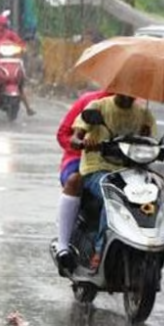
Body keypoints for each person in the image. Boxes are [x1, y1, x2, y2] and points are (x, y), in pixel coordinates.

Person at [71, 94, 156, 270]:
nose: (129, 95)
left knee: (152, 195)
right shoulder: (98, 107)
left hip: (130, 173)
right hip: (96, 170)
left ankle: (145, 244)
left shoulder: (144, 113)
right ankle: (100, 250)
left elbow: (150, 141)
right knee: (114, 195)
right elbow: (74, 139)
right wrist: (83, 142)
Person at [54, 89, 110, 274]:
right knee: (75, 180)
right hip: (79, 161)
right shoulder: (90, 102)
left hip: (116, 165)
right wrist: (82, 144)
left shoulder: (137, 111)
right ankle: (63, 247)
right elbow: (63, 134)